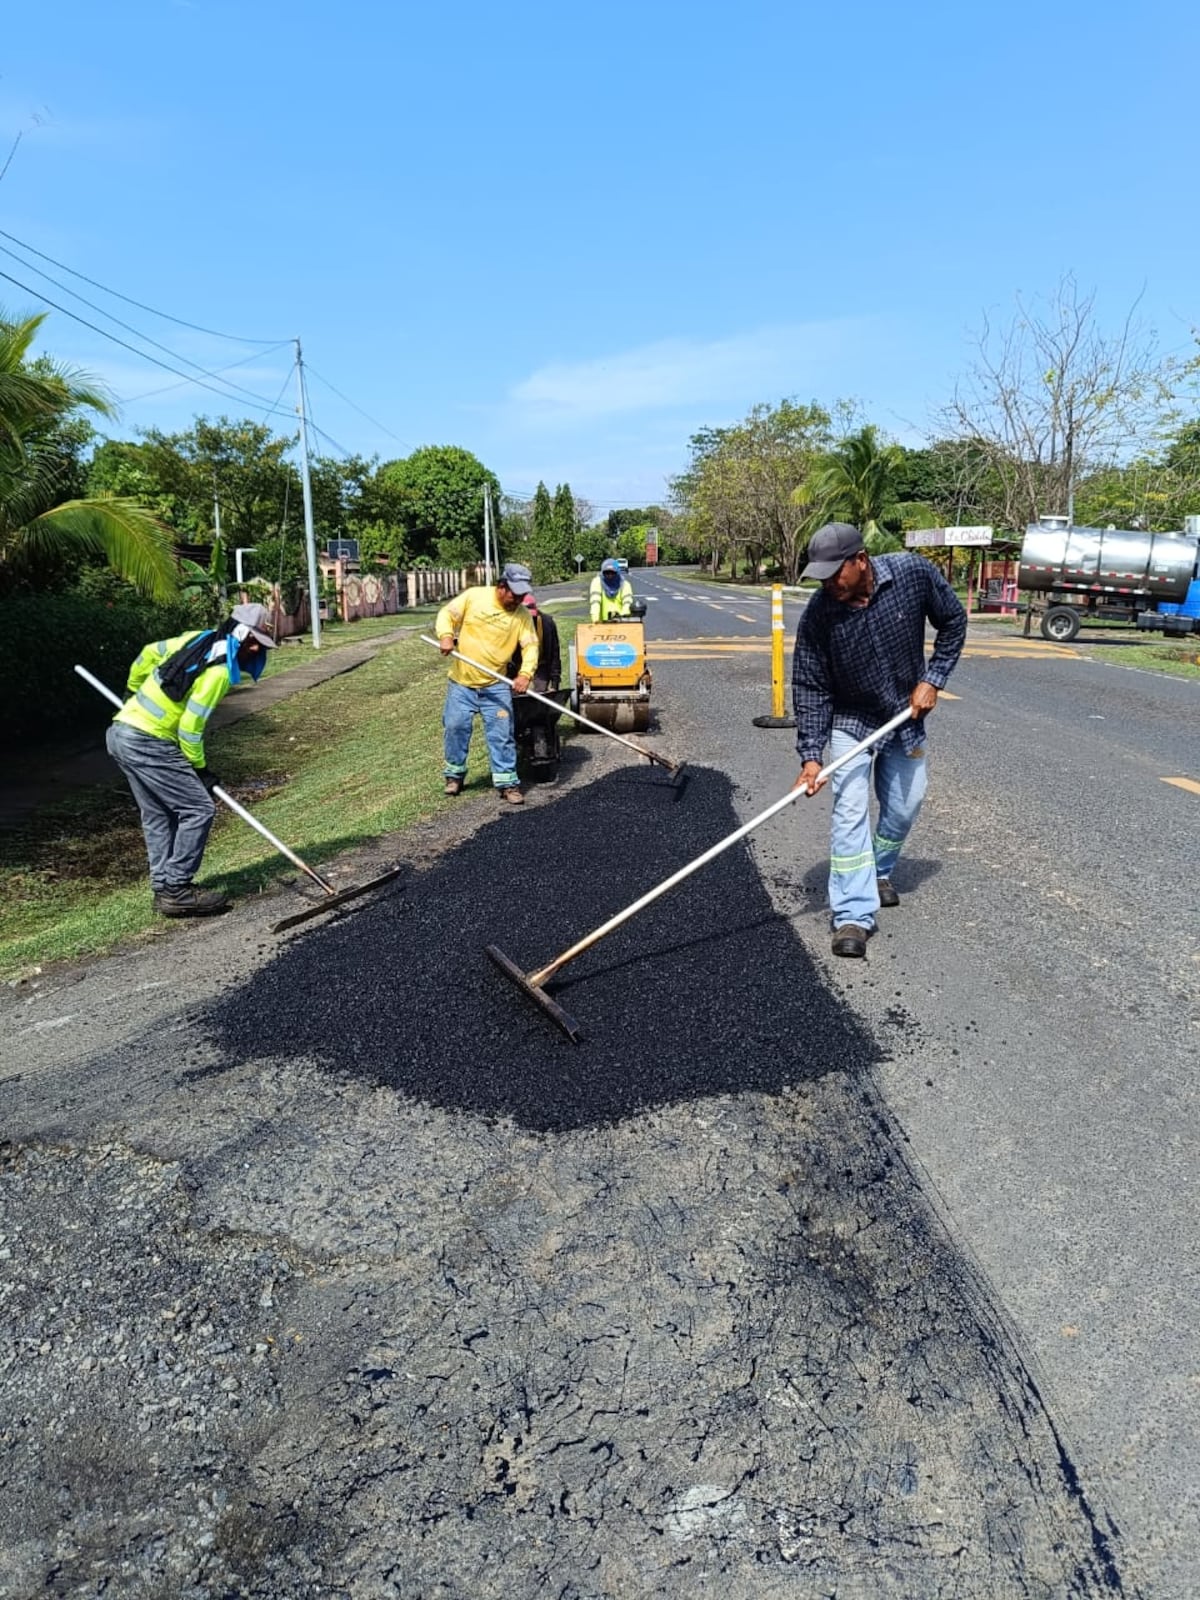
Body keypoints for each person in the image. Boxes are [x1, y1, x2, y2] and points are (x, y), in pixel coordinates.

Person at [791, 522, 966, 959]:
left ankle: (878, 870)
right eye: (822, 576)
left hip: (904, 716)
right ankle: (853, 914)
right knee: (849, 812)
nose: (829, 583)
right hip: (850, 720)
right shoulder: (819, 614)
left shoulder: (911, 573)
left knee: (905, 806)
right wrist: (812, 757)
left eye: (836, 573)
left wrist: (934, 679)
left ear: (861, 559)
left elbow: (954, 621)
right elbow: (810, 687)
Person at [106, 602, 277, 916]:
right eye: (254, 641)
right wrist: (200, 770)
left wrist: (132, 689)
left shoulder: (197, 638)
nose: (256, 648)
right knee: (198, 808)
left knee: (158, 814)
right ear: (241, 636)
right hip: (148, 740)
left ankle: (165, 887)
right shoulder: (220, 670)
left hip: (121, 733)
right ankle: (177, 888)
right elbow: (190, 728)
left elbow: (148, 653)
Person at [436, 562, 540, 805]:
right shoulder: (475, 597)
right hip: (462, 684)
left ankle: (507, 783)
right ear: (502, 586)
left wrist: (525, 674)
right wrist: (446, 636)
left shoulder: (522, 616)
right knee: (455, 727)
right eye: (515, 594)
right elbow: (446, 615)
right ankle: (454, 777)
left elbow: (531, 646)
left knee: (501, 734)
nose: (518, 599)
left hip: (496, 686)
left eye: (523, 595)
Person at [589, 557, 633, 622]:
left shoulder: (624, 584)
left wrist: (623, 618)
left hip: (621, 623)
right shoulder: (597, 582)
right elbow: (595, 601)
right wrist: (595, 619)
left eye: (612, 573)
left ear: (617, 572)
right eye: (607, 573)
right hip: (601, 623)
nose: (610, 575)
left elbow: (627, 602)